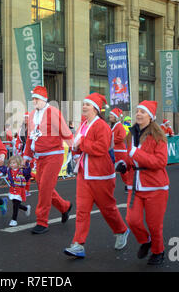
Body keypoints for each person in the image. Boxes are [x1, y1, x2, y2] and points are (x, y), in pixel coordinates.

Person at [63, 93, 129, 259]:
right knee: (82, 210)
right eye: (83, 104)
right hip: (84, 174)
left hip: (101, 175)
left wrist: (81, 143)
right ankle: (78, 244)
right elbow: (78, 145)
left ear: (95, 108)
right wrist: (75, 147)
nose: (84, 106)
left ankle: (121, 230)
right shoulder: (84, 124)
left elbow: (101, 148)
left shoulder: (102, 126)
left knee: (108, 209)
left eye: (87, 104)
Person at [118, 100, 169, 265]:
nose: (138, 114)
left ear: (151, 116)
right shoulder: (130, 134)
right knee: (132, 220)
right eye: (137, 111)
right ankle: (146, 241)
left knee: (154, 225)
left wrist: (136, 153)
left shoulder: (158, 136)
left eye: (143, 111)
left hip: (156, 186)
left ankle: (158, 251)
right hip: (135, 186)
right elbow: (129, 157)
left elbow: (160, 162)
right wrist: (124, 164)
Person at [23, 86, 74, 235]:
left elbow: (66, 133)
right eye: (33, 99)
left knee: (45, 188)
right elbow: (30, 138)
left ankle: (42, 221)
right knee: (44, 188)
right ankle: (64, 206)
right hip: (40, 158)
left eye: (36, 99)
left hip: (53, 156)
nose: (34, 101)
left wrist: (77, 152)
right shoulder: (32, 115)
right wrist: (27, 156)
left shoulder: (53, 112)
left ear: (44, 99)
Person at [0, 155, 32, 227]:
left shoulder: (22, 170)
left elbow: (28, 172)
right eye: (11, 163)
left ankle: (14, 220)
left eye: (14, 163)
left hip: (20, 190)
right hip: (12, 190)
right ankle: (26, 208)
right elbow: (3, 169)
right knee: (16, 204)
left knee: (15, 205)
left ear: (19, 163)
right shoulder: (8, 170)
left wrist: (26, 164)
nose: (12, 164)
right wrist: (0, 165)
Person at [109, 108, 129, 188]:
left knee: (122, 170)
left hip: (120, 152)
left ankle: (129, 184)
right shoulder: (112, 126)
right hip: (114, 151)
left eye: (111, 115)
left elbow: (122, 137)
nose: (109, 116)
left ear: (115, 117)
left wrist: (111, 141)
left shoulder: (119, 126)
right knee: (111, 169)